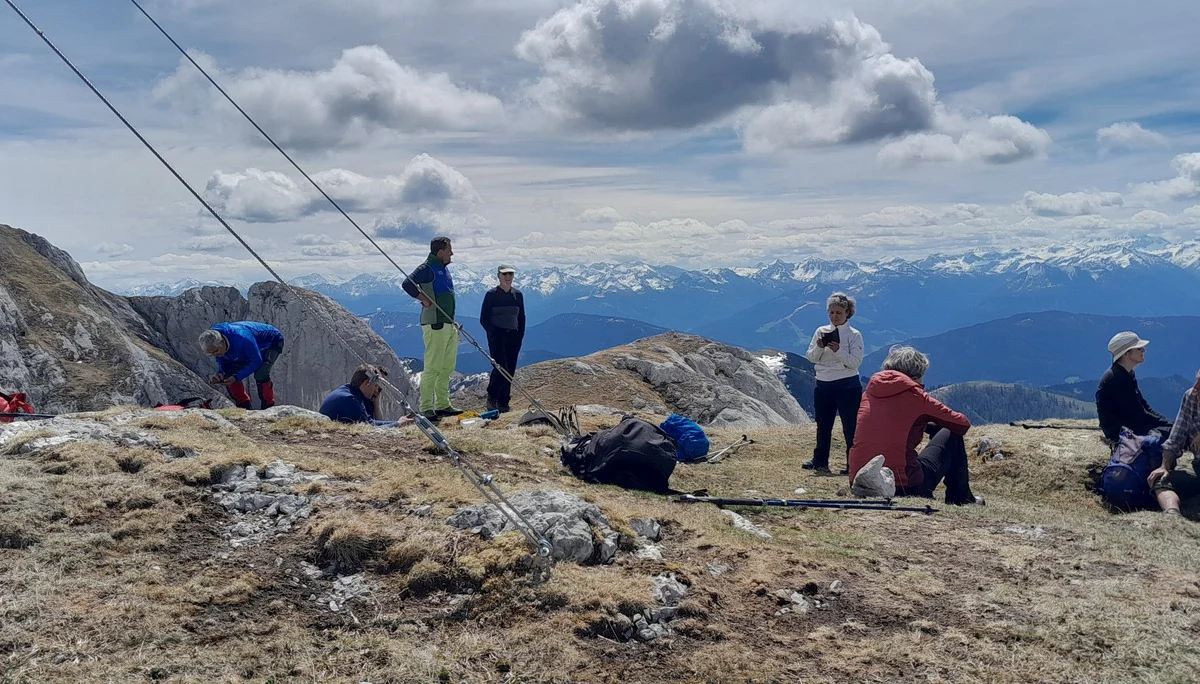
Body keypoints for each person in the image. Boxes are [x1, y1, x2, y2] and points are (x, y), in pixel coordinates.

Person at [848, 346, 984, 505]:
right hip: (904, 485)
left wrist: (922, 423)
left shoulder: (869, 393)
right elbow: (961, 424)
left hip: (859, 480)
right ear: (917, 375)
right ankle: (961, 498)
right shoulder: (916, 396)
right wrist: (932, 421)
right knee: (951, 433)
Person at [401, 236, 462, 420]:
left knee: (446, 367)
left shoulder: (443, 269)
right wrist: (423, 299)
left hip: (447, 323)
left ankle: (442, 404)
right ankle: (427, 407)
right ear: (440, 252)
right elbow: (407, 284)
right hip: (435, 323)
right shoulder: (427, 268)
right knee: (433, 366)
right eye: (449, 249)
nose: (452, 253)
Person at [803, 292, 864, 475]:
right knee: (823, 424)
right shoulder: (820, 332)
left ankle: (852, 464)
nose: (834, 316)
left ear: (848, 313)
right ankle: (820, 461)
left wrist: (838, 351)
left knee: (850, 427)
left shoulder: (854, 335)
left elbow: (855, 362)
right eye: (831, 312)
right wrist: (820, 347)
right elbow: (811, 358)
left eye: (838, 313)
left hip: (848, 385)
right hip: (823, 384)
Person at [1095, 331, 1172, 443]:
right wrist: (1166, 423)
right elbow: (1138, 412)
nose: (1143, 350)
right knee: (1173, 433)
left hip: (1130, 427)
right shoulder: (1116, 378)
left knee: (1174, 430)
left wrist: (1165, 421)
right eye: (1139, 348)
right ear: (1126, 353)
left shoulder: (1125, 374)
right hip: (1122, 432)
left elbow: (1143, 405)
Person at [1146, 369, 1200, 516]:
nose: (1196, 386)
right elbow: (1176, 436)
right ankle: (1172, 516)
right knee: (1161, 481)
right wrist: (1164, 466)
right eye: (1197, 380)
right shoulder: (1192, 396)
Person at [198, 321, 284, 410]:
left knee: (261, 373)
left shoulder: (242, 337)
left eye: (216, 351)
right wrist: (221, 373)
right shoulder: (215, 341)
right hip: (244, 347)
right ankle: (243, 407)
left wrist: (236, 377)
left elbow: (256, 361)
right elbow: (223, 361)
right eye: (211, 354)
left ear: (222, 342)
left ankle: (268, 407)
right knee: (228, 374)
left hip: (271, 342)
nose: (215, 355)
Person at [480, 264, 526, 413]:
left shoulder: (517, 295)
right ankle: (492, 396)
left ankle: (504, 402)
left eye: (510, 274)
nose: (507, 277)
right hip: (497, 337)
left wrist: (520, 335)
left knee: (510, 369)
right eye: (504, 274)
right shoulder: (491, 295)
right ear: (498, 276)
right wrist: (493, 334)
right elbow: (484, 318)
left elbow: (521, 317)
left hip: (514, 336)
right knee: (501, 368)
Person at [319, 364, 407, 427]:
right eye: (376, 386)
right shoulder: (349, 399)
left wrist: (376, 403)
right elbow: (369, 426)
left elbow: (375, 420)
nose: (376, 391)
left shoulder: (353, 392)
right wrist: (398, 423)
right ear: (366, 383)